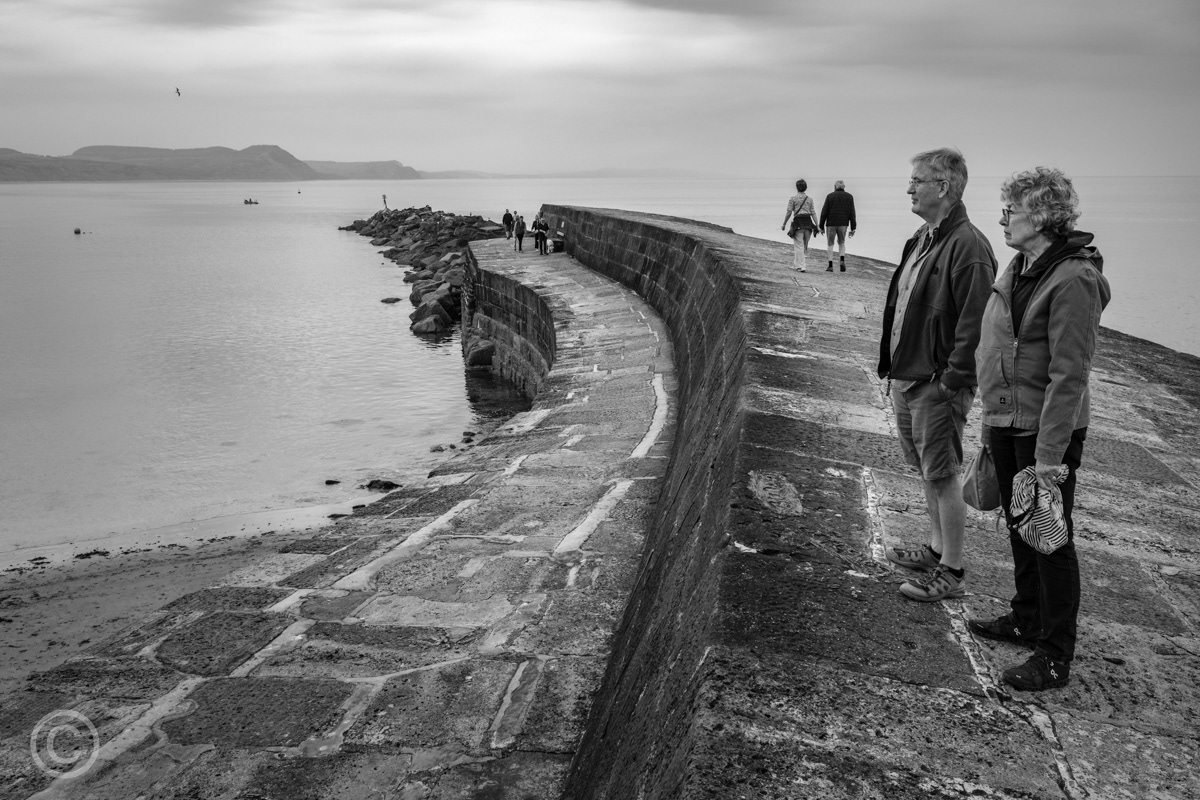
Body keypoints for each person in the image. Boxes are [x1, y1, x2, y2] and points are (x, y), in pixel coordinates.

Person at [967, 168, 1110, 691]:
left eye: (1012, 210)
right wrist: (990, 420)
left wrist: (1050, 456)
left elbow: (1069, 374)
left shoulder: (1074, 279)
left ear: (1043, 217)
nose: (1003, 218)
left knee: (1050, 538)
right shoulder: (1022, 265)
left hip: (1046, 430)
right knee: (1017, 524)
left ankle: (1054, 654)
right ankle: (1026, 616)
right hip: (1007, 419)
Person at [879, 147, 997, 602]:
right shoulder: (925, 235)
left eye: (917, 181)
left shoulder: (969, 246)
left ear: (943, 187)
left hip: (936, 383)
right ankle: (934, 548)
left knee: (943, 473)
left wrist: (951, 380)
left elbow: (974, 325)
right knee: (928, 471)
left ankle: (952, 570)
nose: (909, 188)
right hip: (910, 376)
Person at [819, 180, 857, 272]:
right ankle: (842, 260)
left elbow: (824, 212)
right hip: (843, 224)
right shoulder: (849, 197)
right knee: (842, 242)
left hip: (831, 224)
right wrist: (853, 228)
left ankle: (830, 265)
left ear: (835, 187)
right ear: (844, 187)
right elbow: (852, 213)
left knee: (830, 244)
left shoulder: (829, 196)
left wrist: (821, 226)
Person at [781, 179, 818, 271]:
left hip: (798, 223)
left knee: (798, 245)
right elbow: (813, 213)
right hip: (808, 224)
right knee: (804, 245)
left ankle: (800, 266)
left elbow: (789, 212)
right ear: (806, 188)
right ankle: (798, 264)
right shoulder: (810, 199)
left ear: (797, 187)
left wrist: (784, 223)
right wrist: (817, 225)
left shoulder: (793, 199)